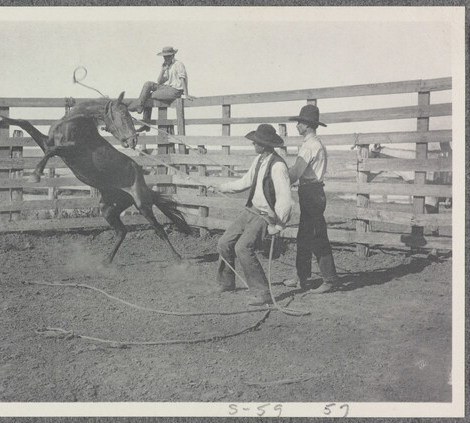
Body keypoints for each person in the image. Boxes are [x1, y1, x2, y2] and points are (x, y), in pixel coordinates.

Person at [209, 124, 293, 306]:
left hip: (266, 216)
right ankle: (226, 282)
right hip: (251, 210)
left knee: (243, 248)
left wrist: (277, 225)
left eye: (256, 142)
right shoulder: (259, 160)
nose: (253, 144)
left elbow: (285, 199)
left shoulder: (278, 166)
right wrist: (221, 187)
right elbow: (245, 182)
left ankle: (262, 293)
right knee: (224, 243)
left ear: (264, 145)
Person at [284, 105, 339, 294]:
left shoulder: (310, 146)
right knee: (305, 236)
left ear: (307, 125)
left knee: (317, 236)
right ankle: (301, 276)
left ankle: (330, 280)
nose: (297, 125)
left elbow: (296, 173)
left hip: (311, 194)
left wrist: (278, 177)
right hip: (312, 192)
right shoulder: (315, 143)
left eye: (299, 122)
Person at [129, 46, 194, 132]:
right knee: (148, 84)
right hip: (168, 88)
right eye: (164, 56)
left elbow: (183, 78)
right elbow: (160, 82)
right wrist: (162, 70)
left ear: (173, 55)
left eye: (168, 56)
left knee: (148, 96)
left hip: (176, 90)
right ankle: (140, 107)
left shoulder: (178, 64)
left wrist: (186, 94)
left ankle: (144, 118)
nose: (165, 58)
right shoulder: (168, 66)